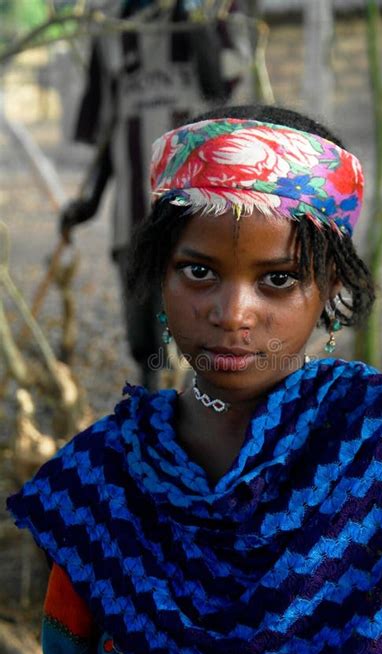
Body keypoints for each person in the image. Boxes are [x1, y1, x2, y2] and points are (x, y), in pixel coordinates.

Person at [8, 105, 382, 654]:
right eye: (198, 271)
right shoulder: (102, 483)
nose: (232, 314)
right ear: (159, 276)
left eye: (278, 279)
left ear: (331, 286)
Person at [60, 0, 247, 388]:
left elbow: (219, 89)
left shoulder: (210, 17)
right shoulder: (110, 26)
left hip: (196, 213)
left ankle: (195, 412)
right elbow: (112, 129)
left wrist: (191, 13)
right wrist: (89, 203)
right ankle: (153, 412)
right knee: (142, 333)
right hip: (132, 217)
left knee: (190, 321)